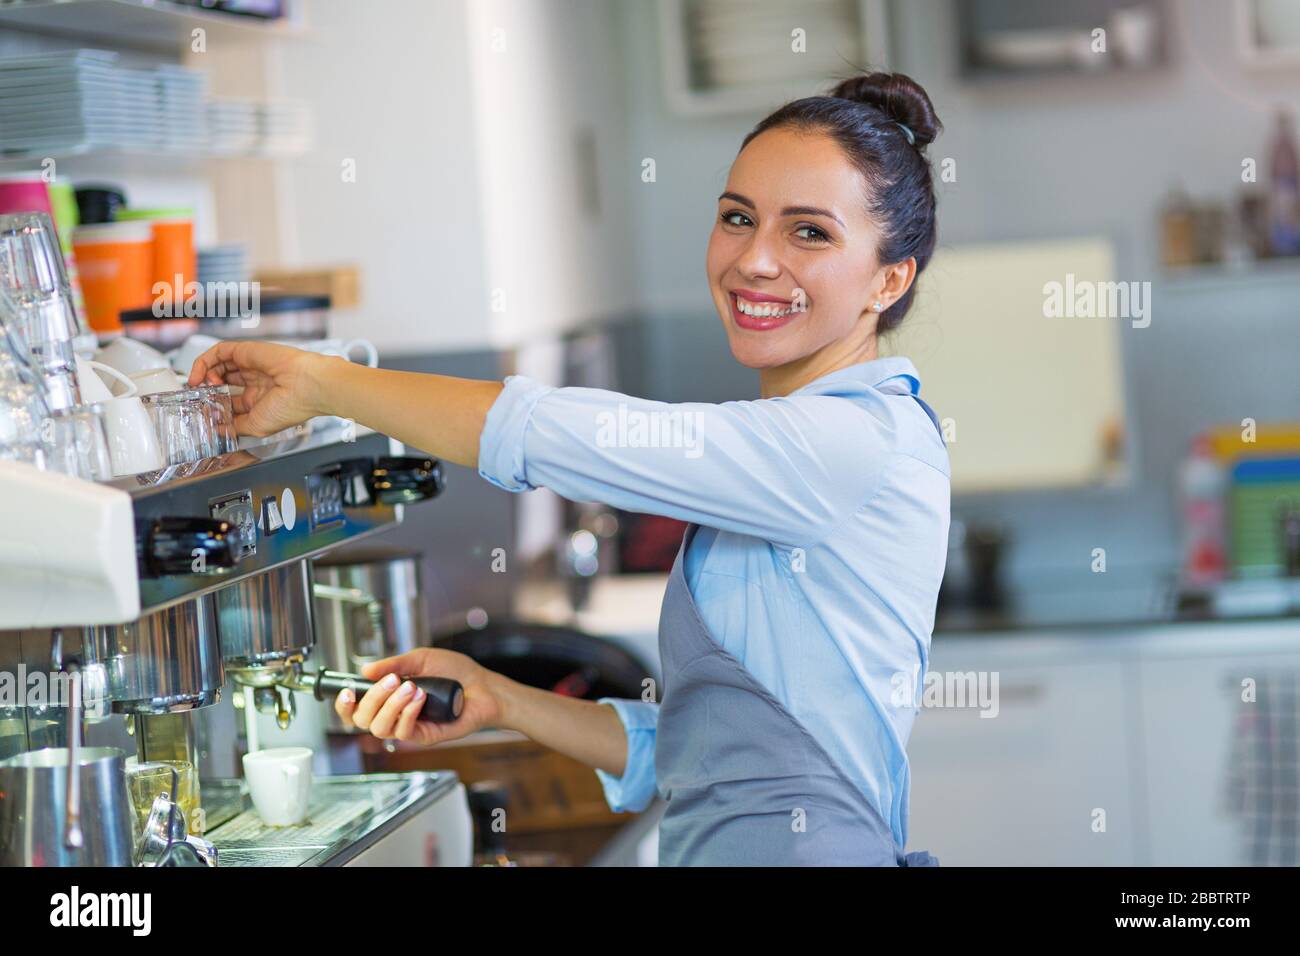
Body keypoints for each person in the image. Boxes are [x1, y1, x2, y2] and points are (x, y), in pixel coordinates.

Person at [189, 71, 949, 866]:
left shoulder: (857, 443)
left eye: (810, 233)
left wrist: (322, 382)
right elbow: (700, 759)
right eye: (737, 218)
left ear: (890, 279)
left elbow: (564, 437)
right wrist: (502, 701)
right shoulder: (799, 445)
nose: (755, 260)